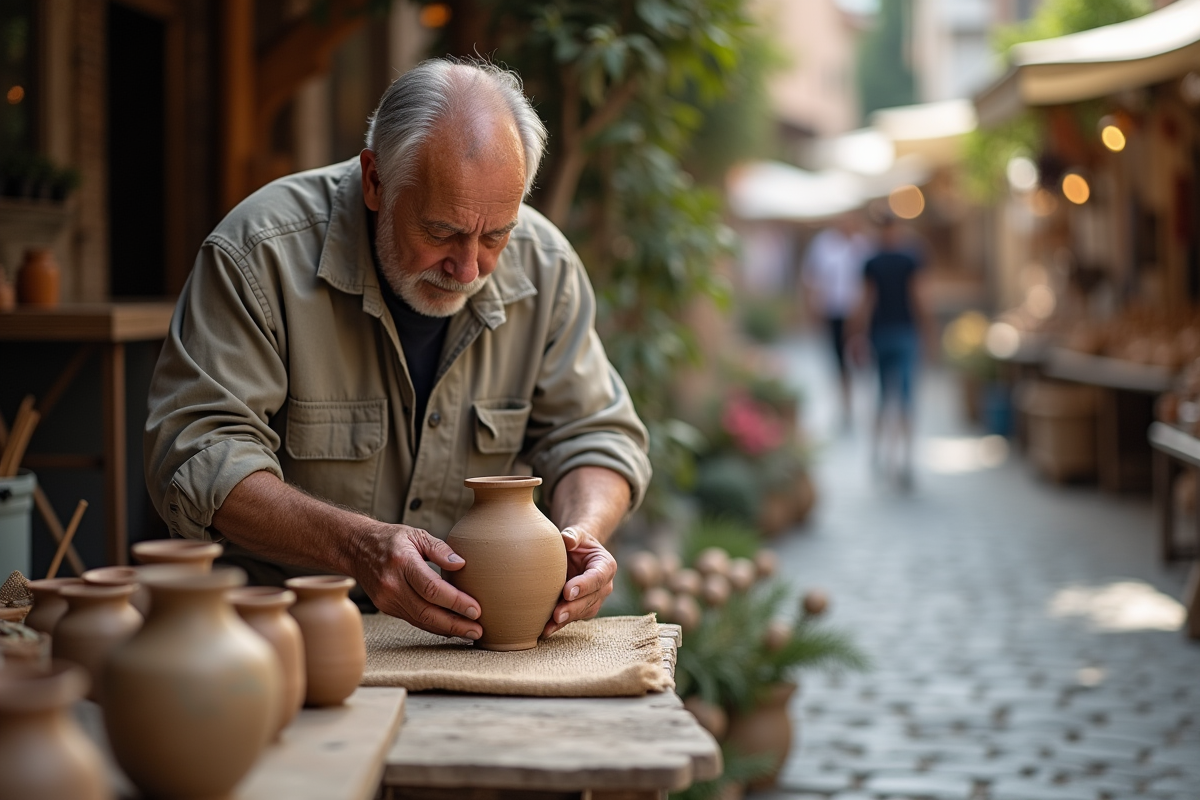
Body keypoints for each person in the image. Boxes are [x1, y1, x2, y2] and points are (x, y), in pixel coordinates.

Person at [144, 59, 651, 643]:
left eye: (495, 236)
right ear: (375, 181)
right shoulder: (258, 254)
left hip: (472, 643)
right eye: (441, 233)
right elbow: (197, 452)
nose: (468, 269)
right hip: (274, 634)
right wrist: (353, 545)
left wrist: (581, 534)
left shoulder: (547, 267)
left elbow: (596, 434)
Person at [851, 215, 930, 488]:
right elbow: (919, 298)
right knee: (903, 397)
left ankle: (883, 456)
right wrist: (928, 333)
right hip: (902, 334)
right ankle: (904, 460)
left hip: (883, 334)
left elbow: (864, 302)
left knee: (885, 396)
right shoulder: (909, 259)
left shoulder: (873, 262)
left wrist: (857, 334)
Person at [801, 214, 870, 428]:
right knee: (838, 360)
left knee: (859, 359)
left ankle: (858, 404)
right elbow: (811, 276)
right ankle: (845, 405)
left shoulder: (862, 245)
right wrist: (813, 306)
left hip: (857, 313)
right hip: (833, 311)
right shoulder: (823, 244)